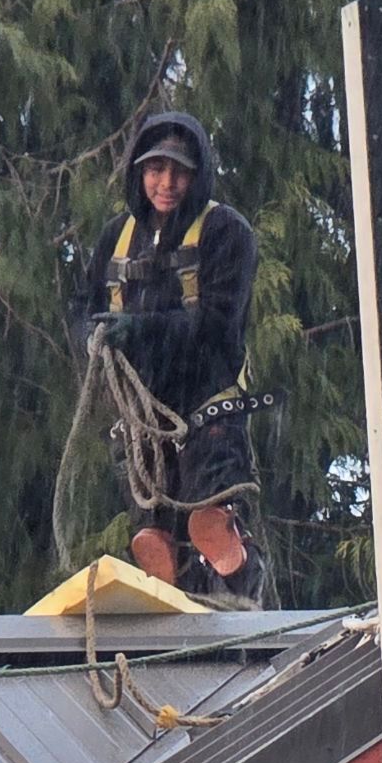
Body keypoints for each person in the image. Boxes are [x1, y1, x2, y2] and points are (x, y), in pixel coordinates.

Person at [79, 109, 266, 602]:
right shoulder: (116, 239)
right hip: (141, 415)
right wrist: (94, 338)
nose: (166, 183)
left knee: (210, 523)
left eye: (179, 171)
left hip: (209, 401)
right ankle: (178, 614)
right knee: (151, 541)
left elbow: (216, 323)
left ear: (197, 174)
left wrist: (139, 330)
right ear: (139, 174)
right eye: (155, 170)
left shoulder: (226, 233)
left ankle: (242, 591)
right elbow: (86, 308)